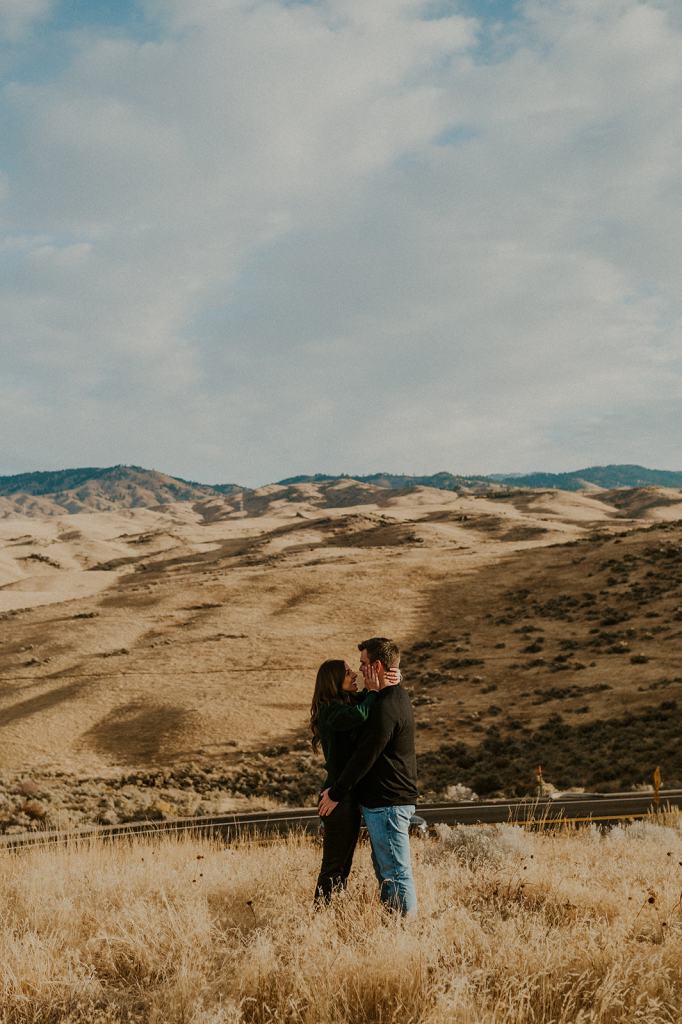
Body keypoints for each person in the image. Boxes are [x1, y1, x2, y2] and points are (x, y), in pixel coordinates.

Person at [318, 637, 418, 916]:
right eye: (351, 670)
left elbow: (366, 755)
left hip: (384, 800)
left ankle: (404, 927)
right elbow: (362, 708)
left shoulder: (384, 704)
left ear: (377, 666)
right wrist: (387, 683)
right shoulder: (344, 708)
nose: (358, 671)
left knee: (393, 871)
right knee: (366, 867)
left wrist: (336, 792)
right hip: (360, 798)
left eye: (362, 664)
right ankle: (327, 916)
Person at [310, 658, 380, 902]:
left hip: (345, 795)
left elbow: (362, 702)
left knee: (343, 864)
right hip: (337, 796)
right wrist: (373, 692)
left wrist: (379, 687)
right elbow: (360, 713)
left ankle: (334, 910)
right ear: (334, 680)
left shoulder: (343, 704)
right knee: (334, 864)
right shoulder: (331, 711)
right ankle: (321, 913)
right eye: (348, 672)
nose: (354, 675)